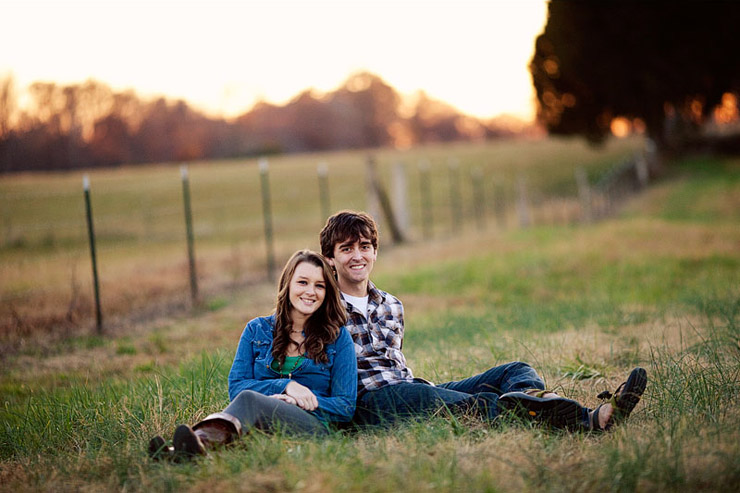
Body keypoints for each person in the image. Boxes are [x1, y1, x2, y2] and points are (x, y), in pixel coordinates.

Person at [318, 210, 647, 431]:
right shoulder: (322, 310)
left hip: (413, 387)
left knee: (514, 371)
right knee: (455, 402)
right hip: (371, 404)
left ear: (375, 251)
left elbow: (395, 363)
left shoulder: (391, 305)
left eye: (365, 246)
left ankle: (525, 402)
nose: (358, 256)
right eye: (347, 249)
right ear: (331, 258)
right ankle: (588, 419)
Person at [148, 250, 357, 460]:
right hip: (259, 423)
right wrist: (285, 386)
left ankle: (196, 443)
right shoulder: (256, 330)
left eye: (319, 285)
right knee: (247, 401)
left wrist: (299, 402)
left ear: (327, 292)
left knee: (249, 400)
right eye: (303, 282)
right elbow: (236, 386)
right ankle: (188, 450)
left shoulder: (338, 338)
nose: (311, 291)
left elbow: (345, 406)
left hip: (312, 425)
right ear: (288, 284)